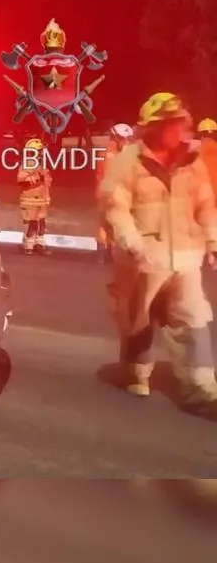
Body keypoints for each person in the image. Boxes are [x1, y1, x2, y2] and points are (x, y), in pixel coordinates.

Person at [100, 92, 217, 415]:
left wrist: (212, 240)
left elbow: (205, 204)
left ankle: (201, 389)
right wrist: (133, 243)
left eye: (182, 123)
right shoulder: (129, 161)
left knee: (193, 317)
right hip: (143, 259)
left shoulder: (194, 163)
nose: (180, 130)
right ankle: (137, 371)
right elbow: (115, 206)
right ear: (153, 128)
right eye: (172, 124)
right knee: (139, 319)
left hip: (185, 256)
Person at [95, 123, 135, 263]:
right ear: (117, 138)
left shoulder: (114, 152)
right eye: (124, 139)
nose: (127, 142)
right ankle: (105, 252)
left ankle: (106, 252)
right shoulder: (109, 154)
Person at [17, 137, 52, 255]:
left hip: (41, 200)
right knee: (32, 224)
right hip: (30, 200)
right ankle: (28, 245)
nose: (42, 153)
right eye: (40, 151)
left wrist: (46, 178)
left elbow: (48, 180)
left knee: (42, 224)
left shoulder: (42, 165)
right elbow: (21, 180)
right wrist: (37, 178)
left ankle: (39, 244)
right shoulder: (27, 164)